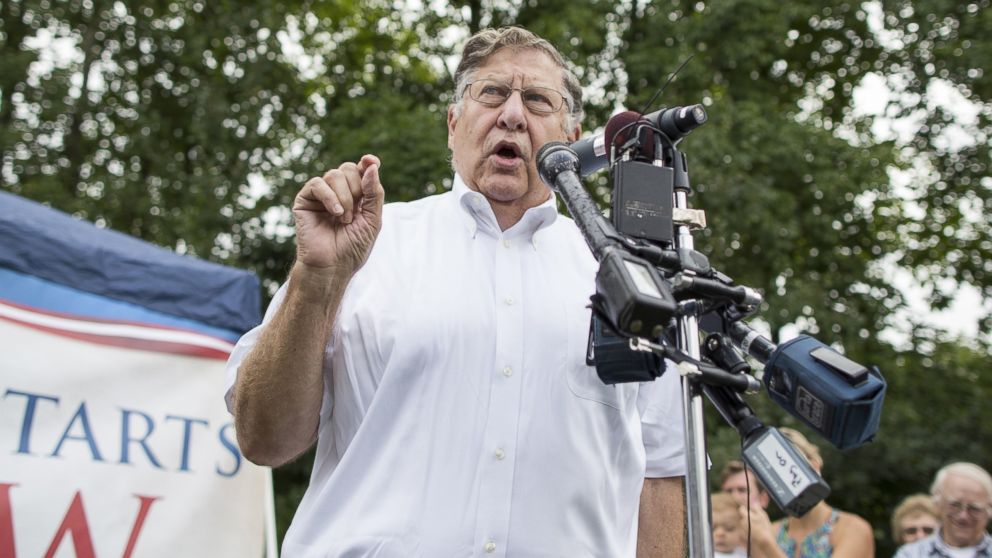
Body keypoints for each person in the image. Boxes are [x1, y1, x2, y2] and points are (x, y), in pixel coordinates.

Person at [224, 26, 688, 557]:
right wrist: (315, 281)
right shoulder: (363, 244)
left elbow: (662, 471)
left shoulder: (628, 274)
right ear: (452, 123)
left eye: (538, 100)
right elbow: (263, 439)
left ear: (572, 134)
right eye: (491, 93)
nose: (513, 115)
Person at [747, 428, 875, 558]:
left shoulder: (852, 529)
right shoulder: (768, 532)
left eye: (789, 465)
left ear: (814, 465)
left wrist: (768, 545)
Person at [894, 462, 992, 557]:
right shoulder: (911, 554)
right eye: (955, 505)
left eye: (974, 508)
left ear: (989, 510)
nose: (963, 516)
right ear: (937, 504)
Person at [713, 492, 748, 557]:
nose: (720, 533)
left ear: (742, 529)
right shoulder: (704, 554)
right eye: (712, 529)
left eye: (729, 528)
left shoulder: (744, 553)